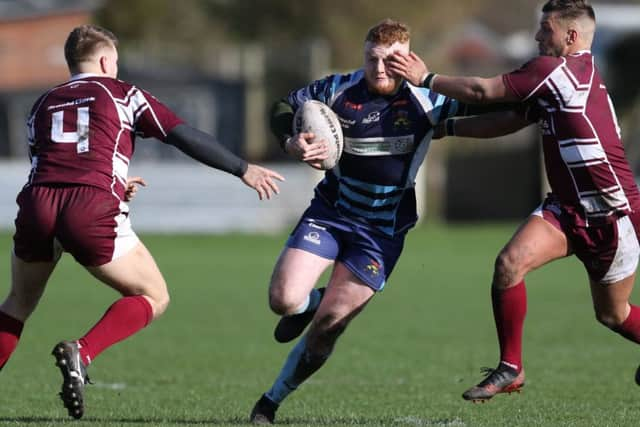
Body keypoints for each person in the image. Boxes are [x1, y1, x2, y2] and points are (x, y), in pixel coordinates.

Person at [0, 24, 284, 419]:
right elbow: (181, 135)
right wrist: (242, 169)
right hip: (90, 208)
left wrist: (115, 184)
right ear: (104, 60)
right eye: (114, 61)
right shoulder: (123, 94)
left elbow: (56, 164)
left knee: (17, 303)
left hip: (38, 204)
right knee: (154, 295)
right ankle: (82, 352)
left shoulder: (43, 102)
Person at [388, 0, 640, 402]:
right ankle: (511, 367)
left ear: (571, 37)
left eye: (546, 29)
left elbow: (480, 90)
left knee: (613, 315)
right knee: (509, 264)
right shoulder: (572, 75)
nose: (538, 36)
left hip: (613, 217)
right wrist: (446, 127)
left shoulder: (553, 71)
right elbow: (509, 121)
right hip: (566, 209)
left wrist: (426, 77)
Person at [249, 19, 470, 424]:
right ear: (363, 57)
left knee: (328, 326)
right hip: (331, 213)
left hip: (382, 232)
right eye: (373, 60)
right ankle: (308, 302)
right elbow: (282, 105)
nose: (381, 69)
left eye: (392, 61)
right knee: (281, 300)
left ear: (409, 58)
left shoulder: (428, 99)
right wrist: (290, 141)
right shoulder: (336, 90)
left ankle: (271, 401)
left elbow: (487, 99)